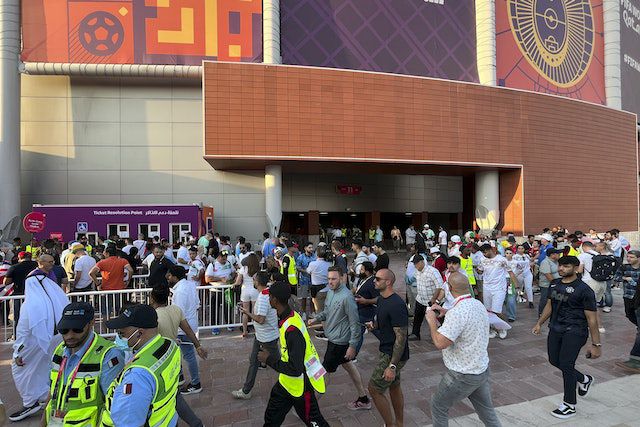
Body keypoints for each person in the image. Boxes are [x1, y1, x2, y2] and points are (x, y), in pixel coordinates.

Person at [427, 273, 502, 427]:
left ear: (449, 288)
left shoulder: (457, 312)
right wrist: (445, 312)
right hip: (480, 369)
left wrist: (431, 321)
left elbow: (440, 343)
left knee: (438, 406)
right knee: (487, 412)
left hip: (462, 374)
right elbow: (466, 320)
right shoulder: (477, 304)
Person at [533, 256, 601, 419]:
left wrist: (596, 344)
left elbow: (592, 319)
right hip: (556, 328)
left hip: (575, 331)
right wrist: (539, 323)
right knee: (554, 360)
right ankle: (584, 379)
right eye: (560, 266)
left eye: (566, 266)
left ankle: (569, 404)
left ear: (577, 268)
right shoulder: (554, 283)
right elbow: (550, 305)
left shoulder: (584, 290)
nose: (561, 268)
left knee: (566, 364)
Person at [257, 281, 329, 426]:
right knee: (271, 418)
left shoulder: (292, 329)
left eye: (269, 297)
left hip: (302, 385)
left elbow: (295, 369)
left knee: (315, 422)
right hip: (286, 383)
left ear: (275, 300)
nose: (268, 299)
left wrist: (268, 359)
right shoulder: (289, 315)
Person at [43, 302, 124, 426]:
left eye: (77, 329)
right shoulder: (59, 351)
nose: (70, 335)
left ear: (92, 322)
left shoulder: (108, 355)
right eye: (64, 330)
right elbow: (52, 391)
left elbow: (116, 406)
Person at [9, 255, 69, 422]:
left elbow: (23, 332)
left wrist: (17, 353)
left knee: (20, 370)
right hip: (55, 339)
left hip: (35, 342)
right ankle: (44, 396)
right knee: (46, 367)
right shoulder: (54, 296)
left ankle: (30, 401)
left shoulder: (31, 305)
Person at [101, 304, 181, 426]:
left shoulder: (137, 376)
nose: (118, 337)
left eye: (122, 333)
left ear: (139, 333)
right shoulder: (169, 345)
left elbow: (128, 422)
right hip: (169, 419)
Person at [309, 267, 369, 410]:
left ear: (342, 278)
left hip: (339, 342)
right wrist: (316, 318)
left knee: (324, 373)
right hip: (333, 338)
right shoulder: (330, 292)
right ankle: (364, 398)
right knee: (348, 365)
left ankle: (310, 406)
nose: (330, 282)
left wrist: (352, 346)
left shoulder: (347, 297)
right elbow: (328, 312)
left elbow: (355, 323)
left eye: (334, 279)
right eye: (329, 279)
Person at [149, 287, 207, 427]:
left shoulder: (153, 315)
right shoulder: (175, 310)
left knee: (170, 396)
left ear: (153, 298)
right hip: (173, 356)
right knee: (173, 394)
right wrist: (197, 345)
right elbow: (187, 329)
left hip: (160, 359)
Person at [365, 269, 409, 427]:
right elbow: (384, 321)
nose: (374, 281)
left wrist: (392, 366)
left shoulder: (396, 304)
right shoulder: (382, 299)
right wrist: (374, 325)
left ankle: (390, 425)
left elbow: (401, 337)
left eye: (377, 279)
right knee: (394, 386)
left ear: (388, 282)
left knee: (374, 389)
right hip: (387, 350)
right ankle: (399, 424)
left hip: (392, 354)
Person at [233, 271, 280, 399]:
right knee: (253, 361)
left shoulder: (264, 297)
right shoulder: (266, 293)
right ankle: (246, 390)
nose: (253, 282)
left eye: (254, 280)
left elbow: (260, 319)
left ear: (258, 282)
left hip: (267, 338)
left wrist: (247, 313)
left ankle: (296, 383)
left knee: (280, 365)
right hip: (261, 336)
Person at [166, 265, 204, 395]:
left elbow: (179, 314)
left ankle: (195, 383)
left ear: (175, 277)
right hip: (189, 324)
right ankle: (180, 376)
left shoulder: (181, 291)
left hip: (184, 328)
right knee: (178, 353)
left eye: (170, 275)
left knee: (188, 355)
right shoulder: (190, 285)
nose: (168, 277)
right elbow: (197, 304)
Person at [477, 244, 517, 339]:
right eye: (483, 252)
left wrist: (516, 285)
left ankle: (502, 328)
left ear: (491, 250)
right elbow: (480, 271)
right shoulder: (482, 260)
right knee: (488, 311)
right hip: (487, 287)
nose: (484, 254)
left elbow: (510, 272)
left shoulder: (502, 259)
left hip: (499, 288)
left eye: (485, 252)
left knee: (497, 310)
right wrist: (478, 270)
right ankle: (492, 329)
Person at [614, 250, 640, 372]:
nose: (629, 259)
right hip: (628, 298)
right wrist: (624, 278)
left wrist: (631, 281)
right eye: (628, 256)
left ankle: (635, 360)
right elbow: (617, 277)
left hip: (638, 300)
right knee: (629, 316)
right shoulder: (624, 267)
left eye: (632, 257)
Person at [408, 255, 443, 341]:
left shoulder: (432, 271)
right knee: (417, 317)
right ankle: (415, 334)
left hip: (431, 301)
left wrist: (434, 299)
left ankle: (441, 335)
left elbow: (440, 286)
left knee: (437, 318)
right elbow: (414, 279)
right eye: (414, 264)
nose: (415, 266)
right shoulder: (417, 271)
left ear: (422, 262)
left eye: (416, 264)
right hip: (420, 299)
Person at [2, 251, 38, 330]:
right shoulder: (37, 266)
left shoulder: (14, 267)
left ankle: (17, 336)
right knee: (35, 316)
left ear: (19, 258)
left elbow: (6, 282)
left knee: (18, 317)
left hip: (19, 295)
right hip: (35, 294)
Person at [577, 241, 607, 333]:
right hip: (602, 282)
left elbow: (580, 270)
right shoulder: (599, 254)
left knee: (591, 306)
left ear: (583, 247)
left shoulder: (582, 256)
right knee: (595, 304)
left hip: (589, 282)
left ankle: (598, 326)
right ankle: (593, 324)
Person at [354, 261, 379, 354]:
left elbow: (378, 298)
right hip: (361, 310)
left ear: (367, 272)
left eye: (362, 269)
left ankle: (353, 355)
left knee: (358, 333)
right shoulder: (363, 279)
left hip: (367, 311)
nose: (360, 271)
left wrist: (366, 301)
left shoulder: (372, 283)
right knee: (373, 330)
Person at [235, 252, 260, 336]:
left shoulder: (243, 269)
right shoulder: (257, 269)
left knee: (245, 312)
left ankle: (244, 331)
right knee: (254, 311)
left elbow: (238, 282)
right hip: (254, 291)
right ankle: (256, 331)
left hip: (245, 290)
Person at [538, 248, 562, 316]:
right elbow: (548, 275)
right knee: (545, 299)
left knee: (557, 298)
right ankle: (541, 313)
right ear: (552, 255)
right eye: (558, 254)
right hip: (547, 285)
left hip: (557, 283)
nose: (559, 255)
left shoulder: (556, 261)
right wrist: (555, 284)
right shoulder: (545, 262)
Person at [296, 242, 316, 319]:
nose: (311, 249)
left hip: (313, 280)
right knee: (304, 297)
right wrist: (305, 271)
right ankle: (303, 313)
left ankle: (312, 312)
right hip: (304, 280)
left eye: (312, 247)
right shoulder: (300, 257)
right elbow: (297, 267)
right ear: (305, 248)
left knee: (312, 297)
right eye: (309, 247)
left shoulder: (314, 257)